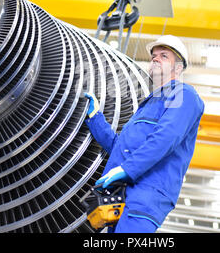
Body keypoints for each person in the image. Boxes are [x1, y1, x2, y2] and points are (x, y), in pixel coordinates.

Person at [84, 35, 204, 233]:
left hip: (146, 195)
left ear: (178, 68)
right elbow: (120, 148)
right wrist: (95, 117)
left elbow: (165, 138)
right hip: (121, 194)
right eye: (153, 56)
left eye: (164, 56)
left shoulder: (185, 95)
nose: (155, 59)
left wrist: (127, 169)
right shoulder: (148, 104)